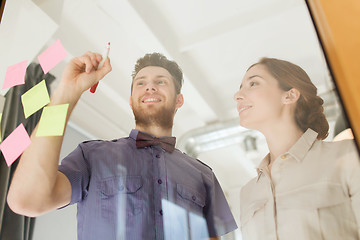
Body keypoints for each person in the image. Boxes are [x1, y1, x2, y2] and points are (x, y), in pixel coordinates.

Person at [7, 52, 237, 239]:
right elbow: (26, 199)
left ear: (179, 99)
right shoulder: (91, 156)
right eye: (141, 83)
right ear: (130, 100)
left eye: (161, 82)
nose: (150, 87)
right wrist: (66, 94)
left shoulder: (203, 174)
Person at [234, 57, 360, 239]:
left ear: (290, 95)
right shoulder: (248, 192)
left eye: (253, 83)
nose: (237, 95)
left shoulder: (347, 155)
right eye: (240, 87)